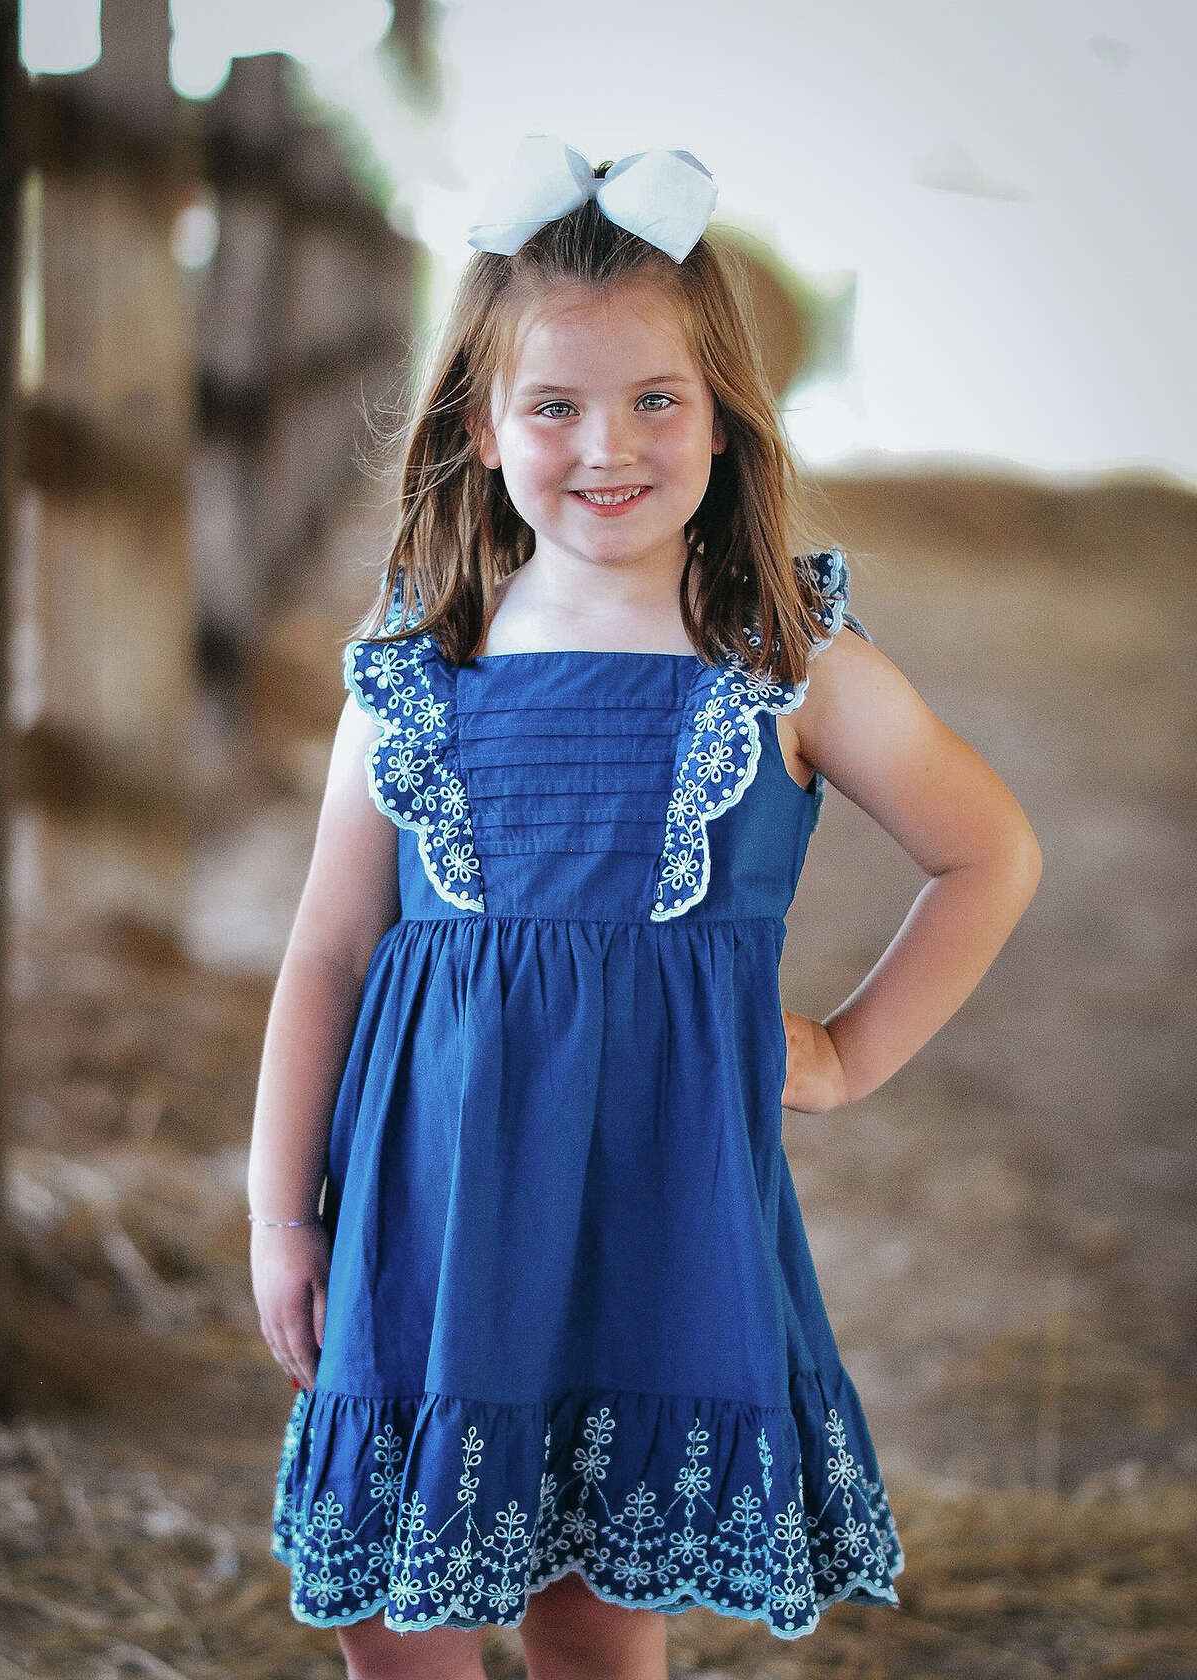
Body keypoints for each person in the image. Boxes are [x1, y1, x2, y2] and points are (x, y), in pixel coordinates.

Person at [251, 135, 1043, 1680]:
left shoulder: (786, 660)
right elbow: (329, 949)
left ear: (726, 419)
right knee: (393, 1622)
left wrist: (849, 1053)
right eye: (552, 406)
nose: (603, 446)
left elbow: (990, 851)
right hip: (424, 1212)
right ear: (481, 429)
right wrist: (284, 1214)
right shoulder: (415, 672)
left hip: (647, 1218)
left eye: (653, 401)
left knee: (593, 1609)